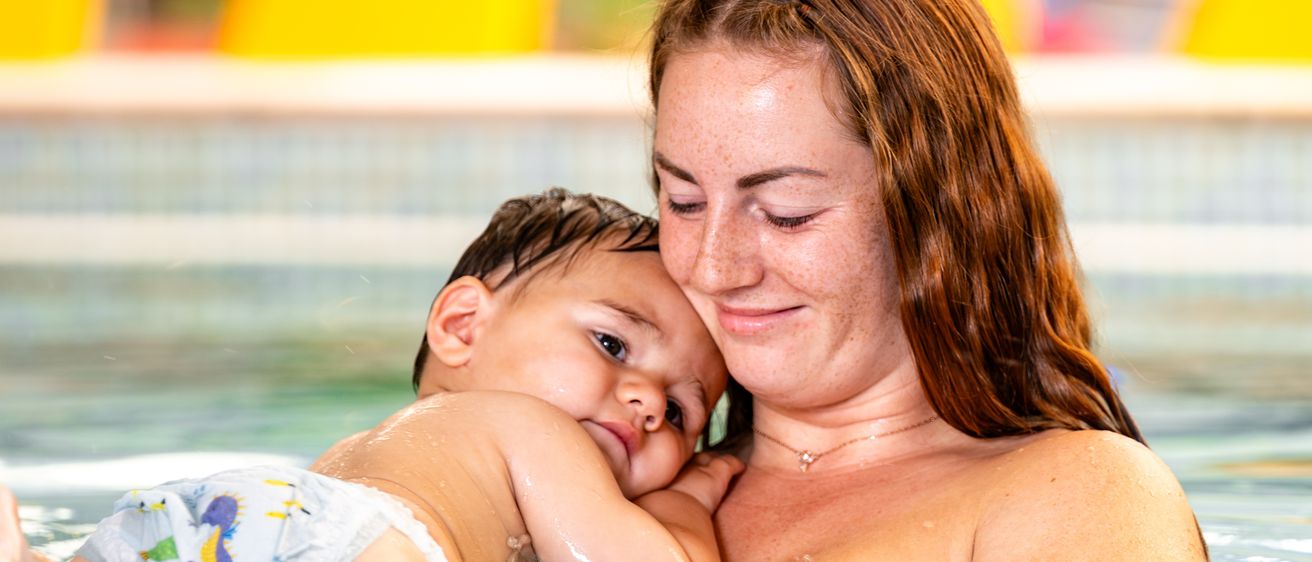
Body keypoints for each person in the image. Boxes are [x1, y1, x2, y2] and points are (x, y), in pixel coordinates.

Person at [646, 0, 1208, 559]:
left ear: (937, 209)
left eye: (787, 210)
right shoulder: (619, 484)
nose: (713, 268)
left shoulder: (1078, 495)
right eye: (685, 202)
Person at [34, 189, 739, 562]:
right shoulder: (531, 428)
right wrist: (689, 505)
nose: (648, 402)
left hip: (213, 521)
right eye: (613, 343)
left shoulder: (381, 455)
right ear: (463, 325)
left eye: (682, 412)